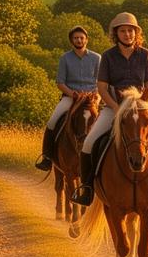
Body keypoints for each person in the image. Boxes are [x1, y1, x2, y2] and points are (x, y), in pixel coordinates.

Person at [71, 12, 148, 207]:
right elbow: (102, 87)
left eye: (131, 31)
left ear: (136, 33)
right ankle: (87, 189)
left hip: (139, 108)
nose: (128, 34)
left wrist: (142, 103)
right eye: (123, 31)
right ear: (116, 34)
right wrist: (117, 108)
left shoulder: (145, 54)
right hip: (114, 108)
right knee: (89, 143)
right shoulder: (108, 56)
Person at [35, 25, 101, 172]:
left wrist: (97, 97)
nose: (79, 40)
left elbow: (101, 82)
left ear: (86, 40)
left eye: (81, 38)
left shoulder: (97, 58)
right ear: (72, 41)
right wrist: (72, 94)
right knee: (52, 121)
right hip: (71, 97)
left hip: (91, 99)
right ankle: (47, 158)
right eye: (76, 38)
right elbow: (60, 82)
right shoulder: (65, 58)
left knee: (106, 124)